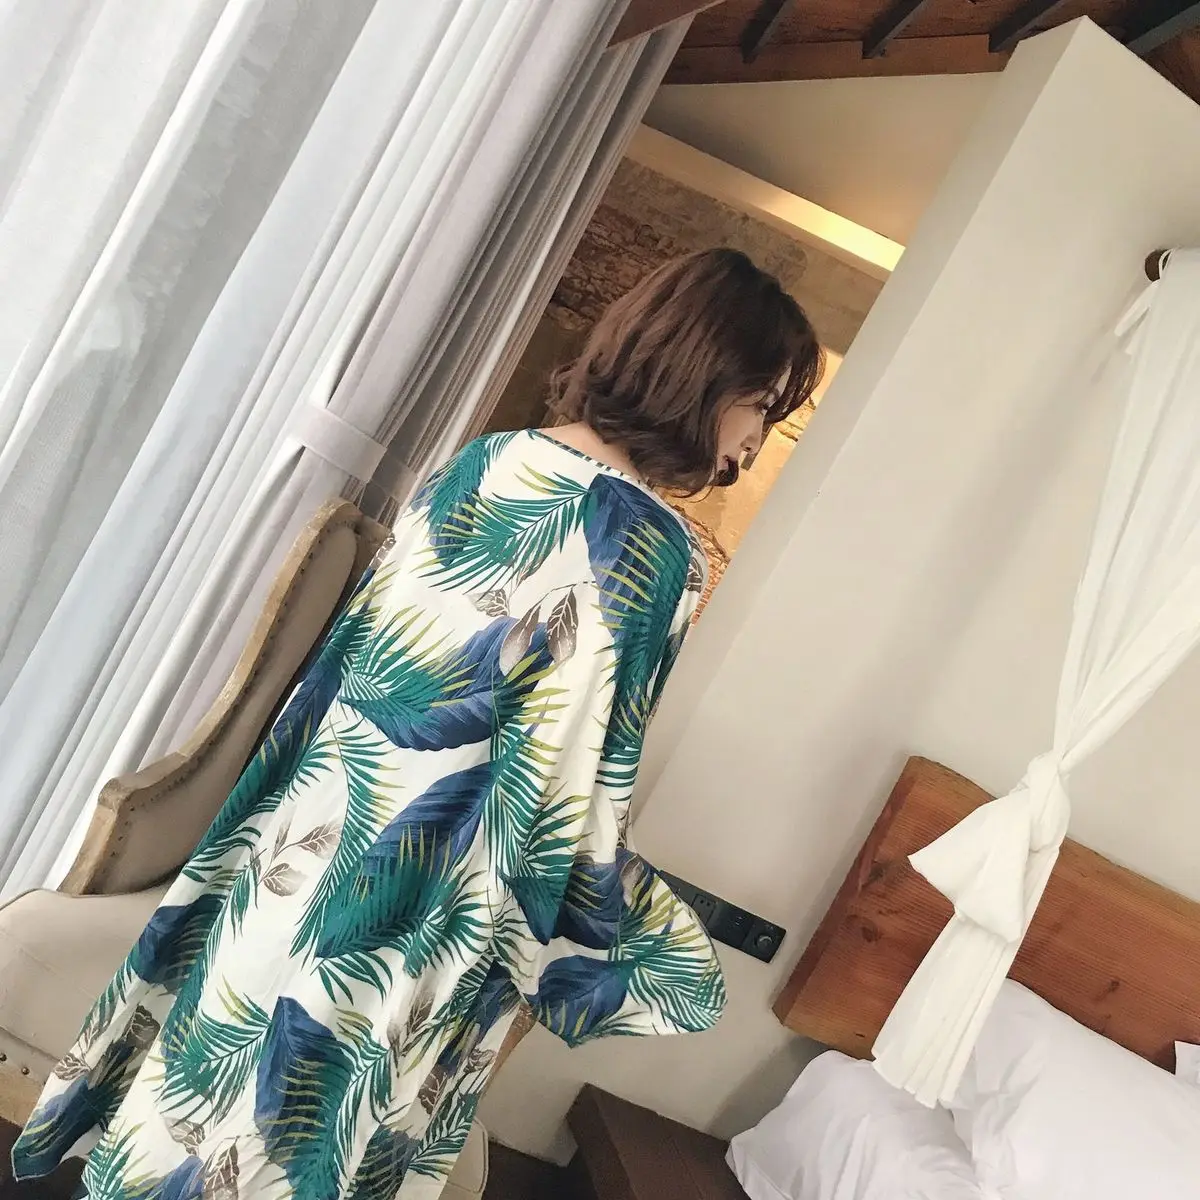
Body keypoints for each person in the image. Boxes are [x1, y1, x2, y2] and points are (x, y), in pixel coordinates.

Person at [12, 248, 823, 1200]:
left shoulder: (483, 461)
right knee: (316, 1134)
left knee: (211, 1092)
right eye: (760, 405)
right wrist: (650, 952)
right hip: (424, 914)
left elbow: (346, 677)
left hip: (305, 847)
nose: (752, 441)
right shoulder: (654, 550)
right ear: (706, 378)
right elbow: (566, 795)